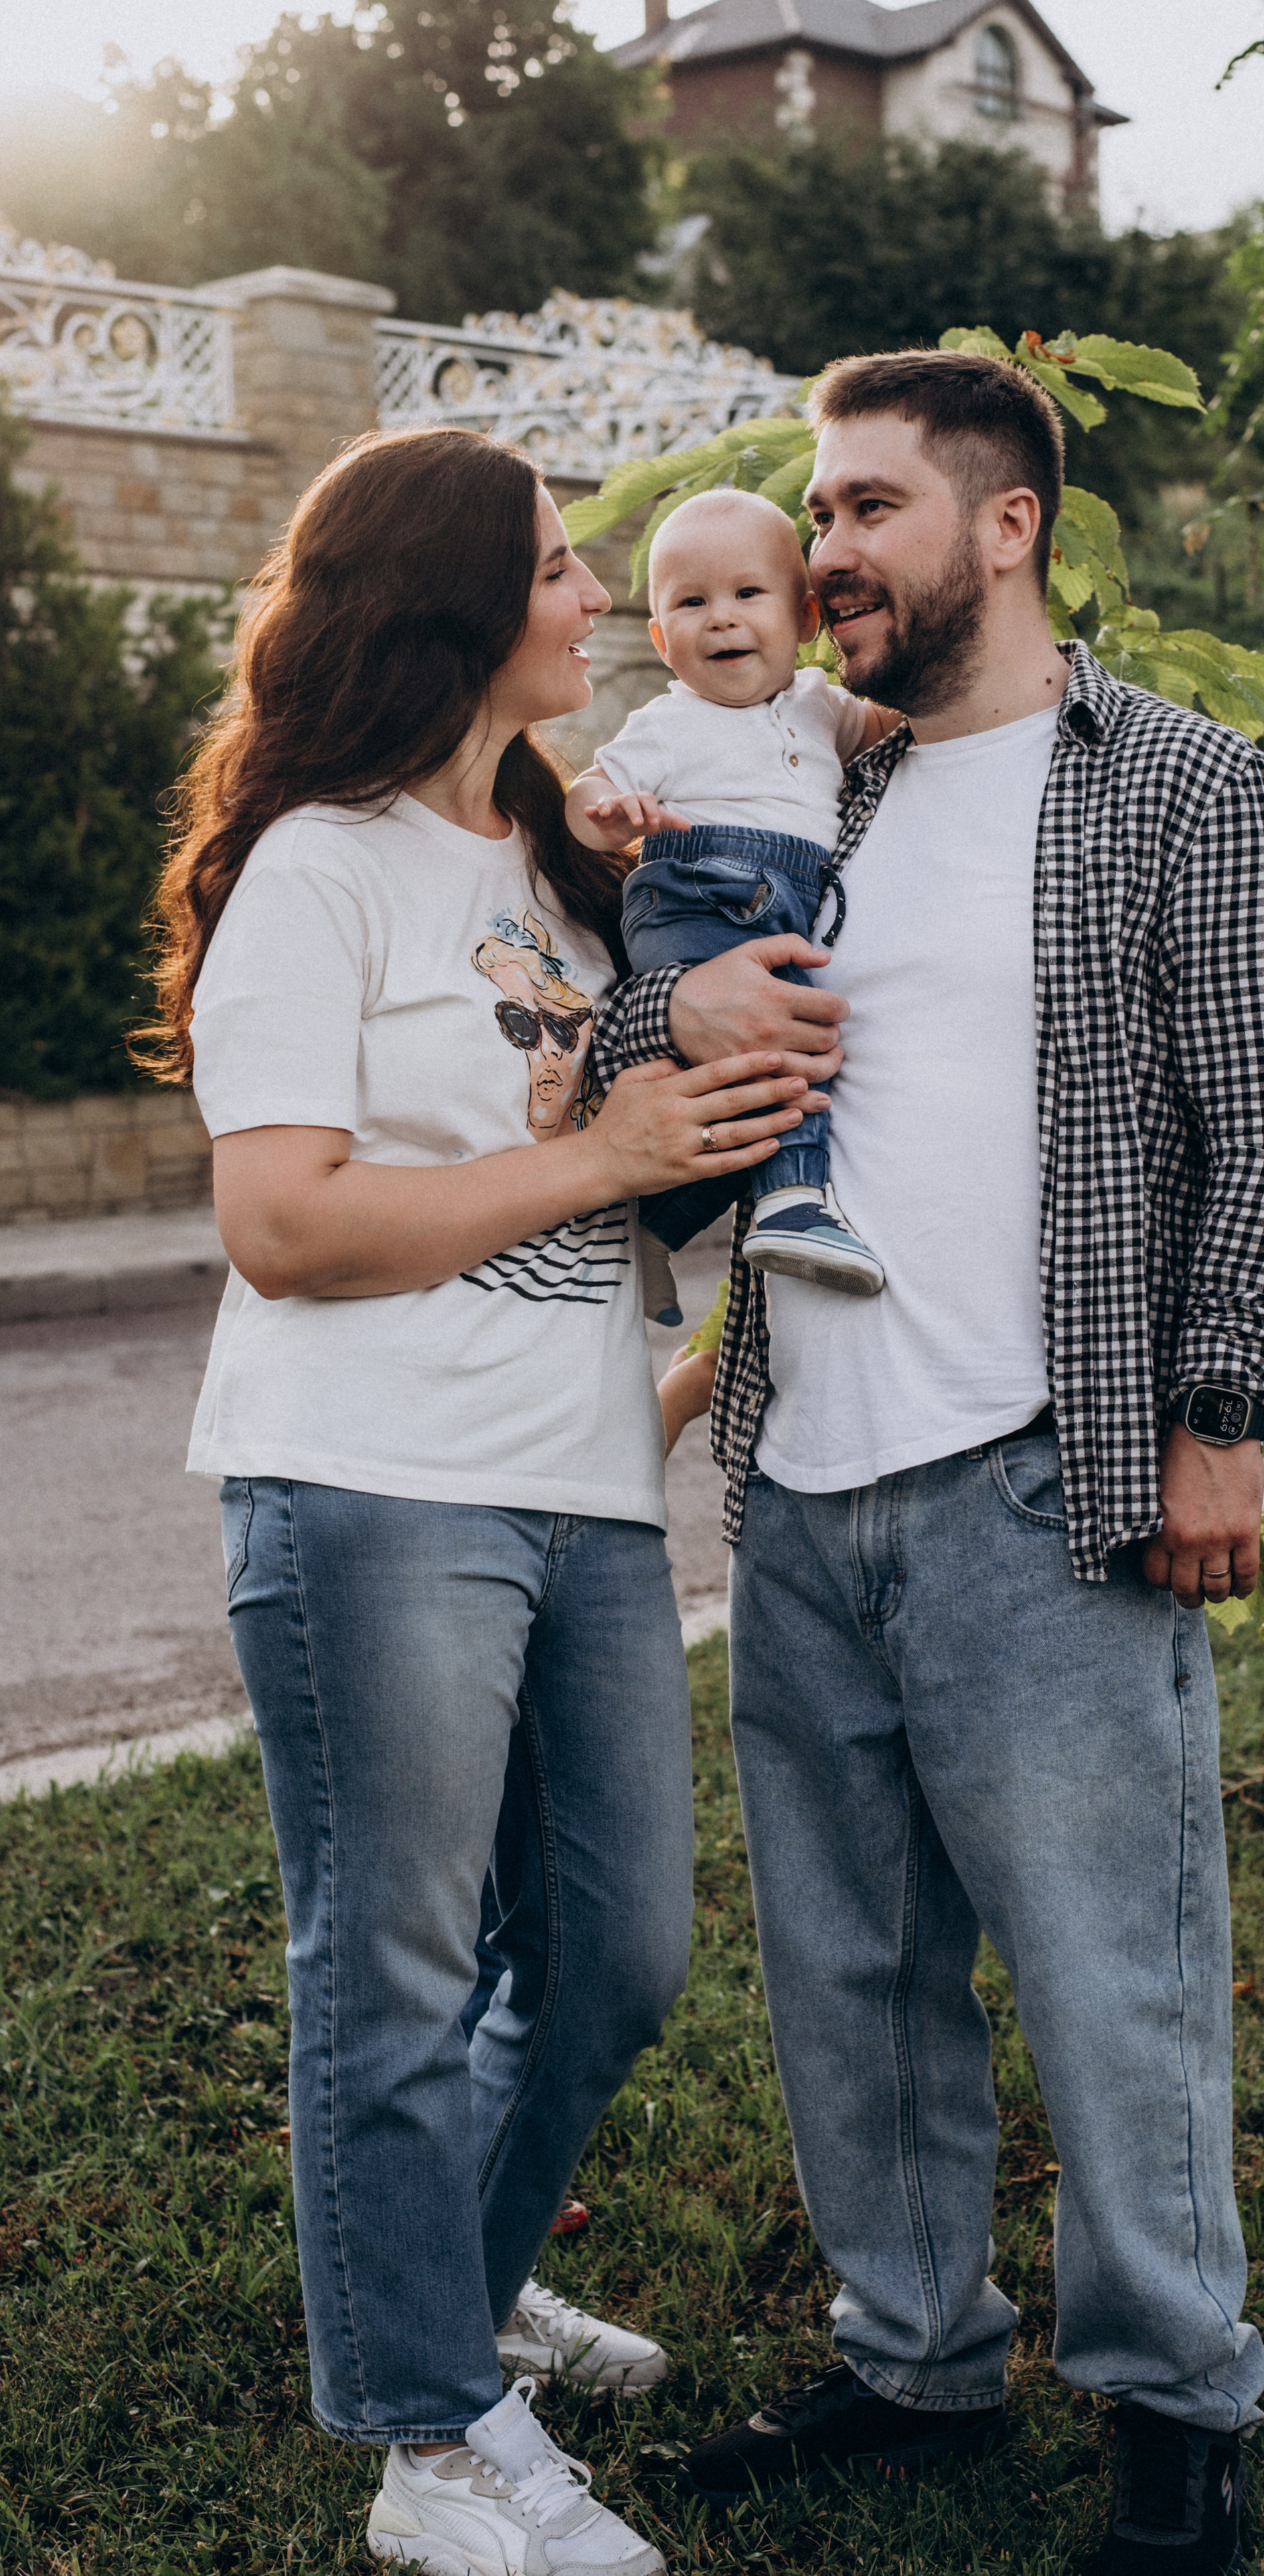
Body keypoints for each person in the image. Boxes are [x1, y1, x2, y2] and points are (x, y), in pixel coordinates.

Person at [593, 351, 1264, 2575]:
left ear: (1003, 522)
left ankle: (1176, 2405)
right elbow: (662, 1095)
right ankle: (914, 2351)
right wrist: (668, 1018)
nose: (822, 551)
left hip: (1047, 1475)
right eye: (817, 512)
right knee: (847, 1965)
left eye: (864, 507)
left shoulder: (1182, 784)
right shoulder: (807, 788)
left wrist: (1222, 1417)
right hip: (802, 1477)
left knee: (1112, 1964)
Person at [143, 424, 825, 2576]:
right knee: (401, 1966)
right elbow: (285, 1217)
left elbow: (646, 1162)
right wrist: (606, 1159)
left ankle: (456, 2265)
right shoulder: (317, 867)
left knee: (617, 1947)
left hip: (576, 1473)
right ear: (451, 603)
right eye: (556, 564)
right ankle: (431, 2439)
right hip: (370, 1478)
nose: (603, 593)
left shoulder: (557, 859)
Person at [568, 487, 894, 1319]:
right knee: (789, 1039)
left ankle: (657, 1223)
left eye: (748, 594)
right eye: (691, 602)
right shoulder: (669, 722)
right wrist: (609, 817)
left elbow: (906, 721)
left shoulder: (822, 706)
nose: (721, 619)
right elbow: (590, 788)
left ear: (806, 616)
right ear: (659, 638)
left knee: (730, 1082)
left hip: (779, 899)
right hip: (699, 887)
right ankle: (793, 1201)